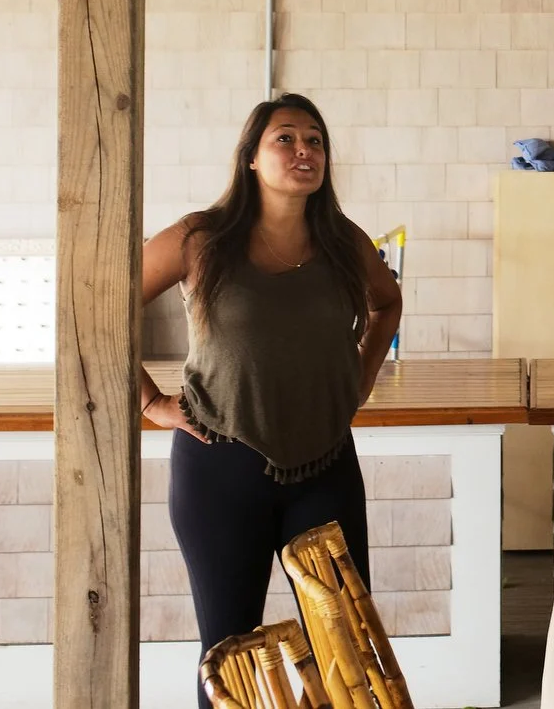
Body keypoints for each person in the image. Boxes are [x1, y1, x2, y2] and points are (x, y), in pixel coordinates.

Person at [138, 94, 403, 704]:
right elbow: (101, 308)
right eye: (285, 138)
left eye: (315, 140)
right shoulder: (200, 239)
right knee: (228, 655)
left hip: (325, 469)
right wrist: (150, 402)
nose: (304, 150)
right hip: (220, 469)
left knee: (346, 651)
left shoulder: (342, 241)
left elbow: (387, 302)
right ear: (251, 158)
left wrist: (356, 383)